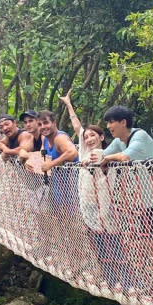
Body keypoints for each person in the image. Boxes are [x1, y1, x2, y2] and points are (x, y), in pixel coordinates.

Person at [97, 105, 153, 300]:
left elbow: (124, 157)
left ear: (123, 122)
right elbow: (102, 154)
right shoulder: (119, 141)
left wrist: (105, 159)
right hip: (146, 202)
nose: (108, 126)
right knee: (151, 245)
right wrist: (91, 158)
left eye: (111, 122)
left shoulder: (139, 136)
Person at [59, 90, 130, 288]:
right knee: (97, 241)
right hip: (87, 203)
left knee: (113, 239)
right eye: (86, 136)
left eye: (93, 136)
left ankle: (127, 280)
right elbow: (76, 126)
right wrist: (68, 105)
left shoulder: (109, 152)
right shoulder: (84, 151)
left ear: (101, 137)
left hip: (105, 206)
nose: (89, 139)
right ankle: (110, 278)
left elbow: (112, 158)